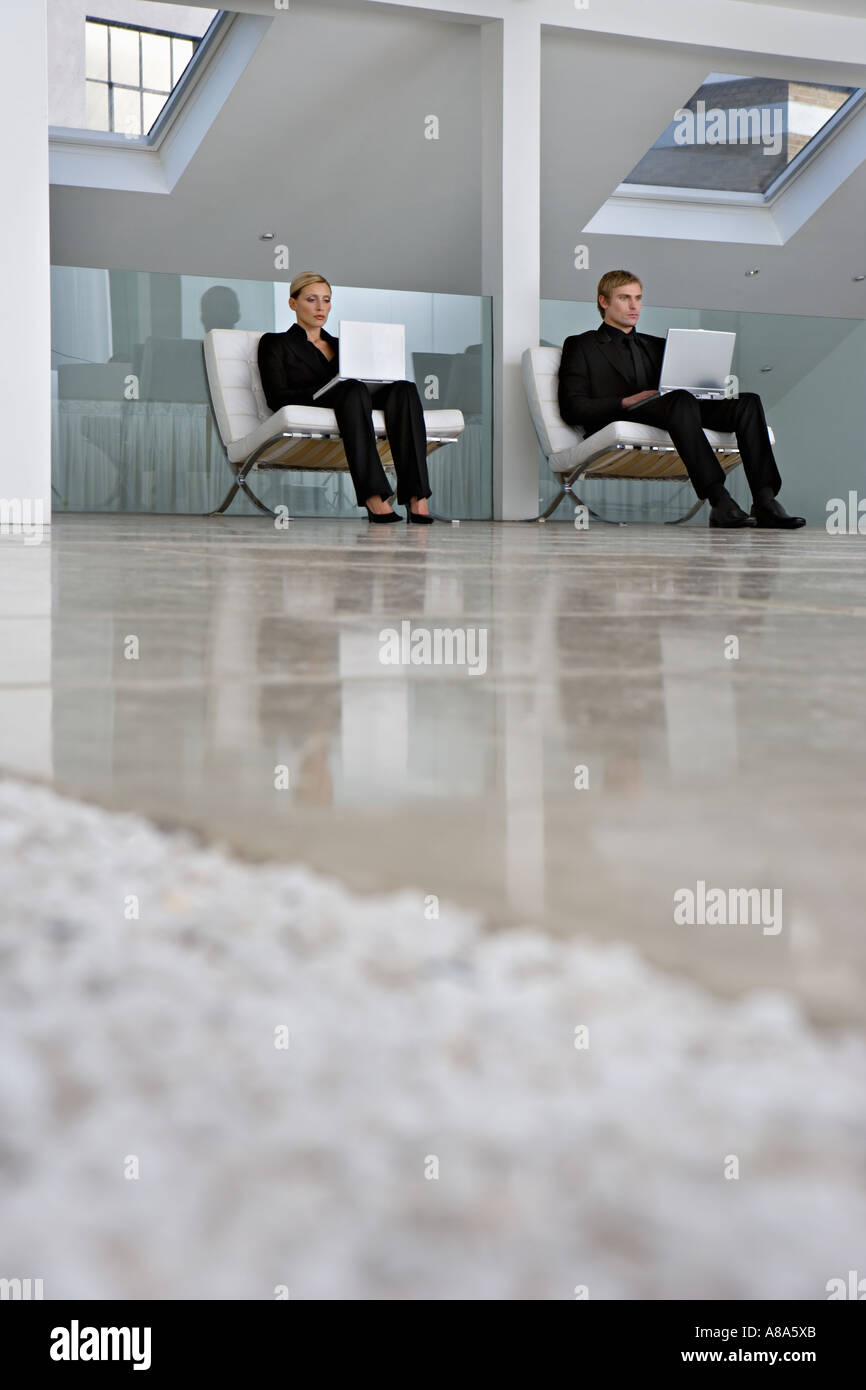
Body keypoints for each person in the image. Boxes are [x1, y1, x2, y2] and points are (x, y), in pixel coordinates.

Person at [557, 270, 805, 529]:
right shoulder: (581, 345)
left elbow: (679, 389)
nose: (634, 306)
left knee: (747, 402)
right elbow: (572, 407)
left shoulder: (658, 345)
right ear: (604, 302)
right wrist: (625, 401)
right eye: (624, 298)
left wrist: (707, 389)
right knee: (681, 400)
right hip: (625, 412)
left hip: (674, 408)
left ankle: (765, 501)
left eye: (638, 298)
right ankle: (719, 499)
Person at [257, 272, 433, 524]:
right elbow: (275, 397)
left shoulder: (343, 344)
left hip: (354, 399)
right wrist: (327, 388)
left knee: (404, 388)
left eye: (326, 300)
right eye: (311, 299)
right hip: (318, 399)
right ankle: (374, 496)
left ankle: (417, 497)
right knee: (351, 387)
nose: (320, 307)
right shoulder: (275, 343)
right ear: (292, 303)